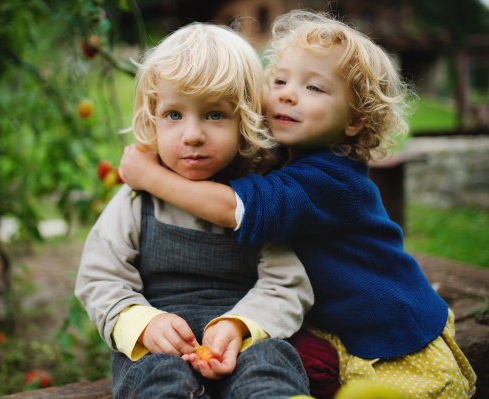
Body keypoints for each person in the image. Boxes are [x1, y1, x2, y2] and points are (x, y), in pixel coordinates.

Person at [119, 10, 477, 398]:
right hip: (332, 326)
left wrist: (151, 177)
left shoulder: (331, 178)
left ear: (355, 120)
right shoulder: (291, 157)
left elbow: (236, 208)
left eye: (314, 88)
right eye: (280, 79)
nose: (288, 93)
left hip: (390, 333)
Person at [75, 22, 315, 399]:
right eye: (173, 115)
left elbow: (287, 283)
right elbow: (99, 277)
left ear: (245, 121)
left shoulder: (253, 201)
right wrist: (141, 323)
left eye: (215, 115)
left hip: (240, 344)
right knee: (157, 379)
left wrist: (241, 326)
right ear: (152, 116)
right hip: (159, 346)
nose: (192, 135)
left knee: (271, 366)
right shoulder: (139, 199)